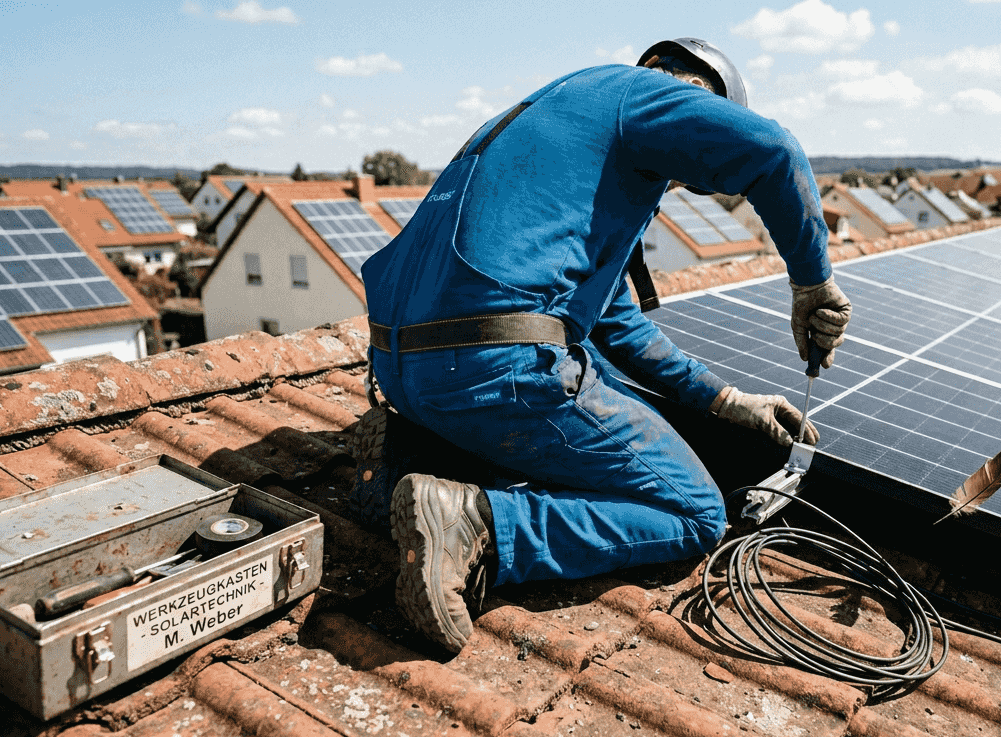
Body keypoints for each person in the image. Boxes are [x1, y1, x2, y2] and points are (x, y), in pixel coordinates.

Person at [359, 37, 852, 652]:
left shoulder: (562, 120)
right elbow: (773, 151)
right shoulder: (648, 98)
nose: (673, 186)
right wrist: (814, 284)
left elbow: (618, 324)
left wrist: (727, 400)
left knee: (598, 377)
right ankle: (476, 521)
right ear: (695, 97)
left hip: (404, 367)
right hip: (491, 365)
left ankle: (409, 454)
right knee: (694, 512)